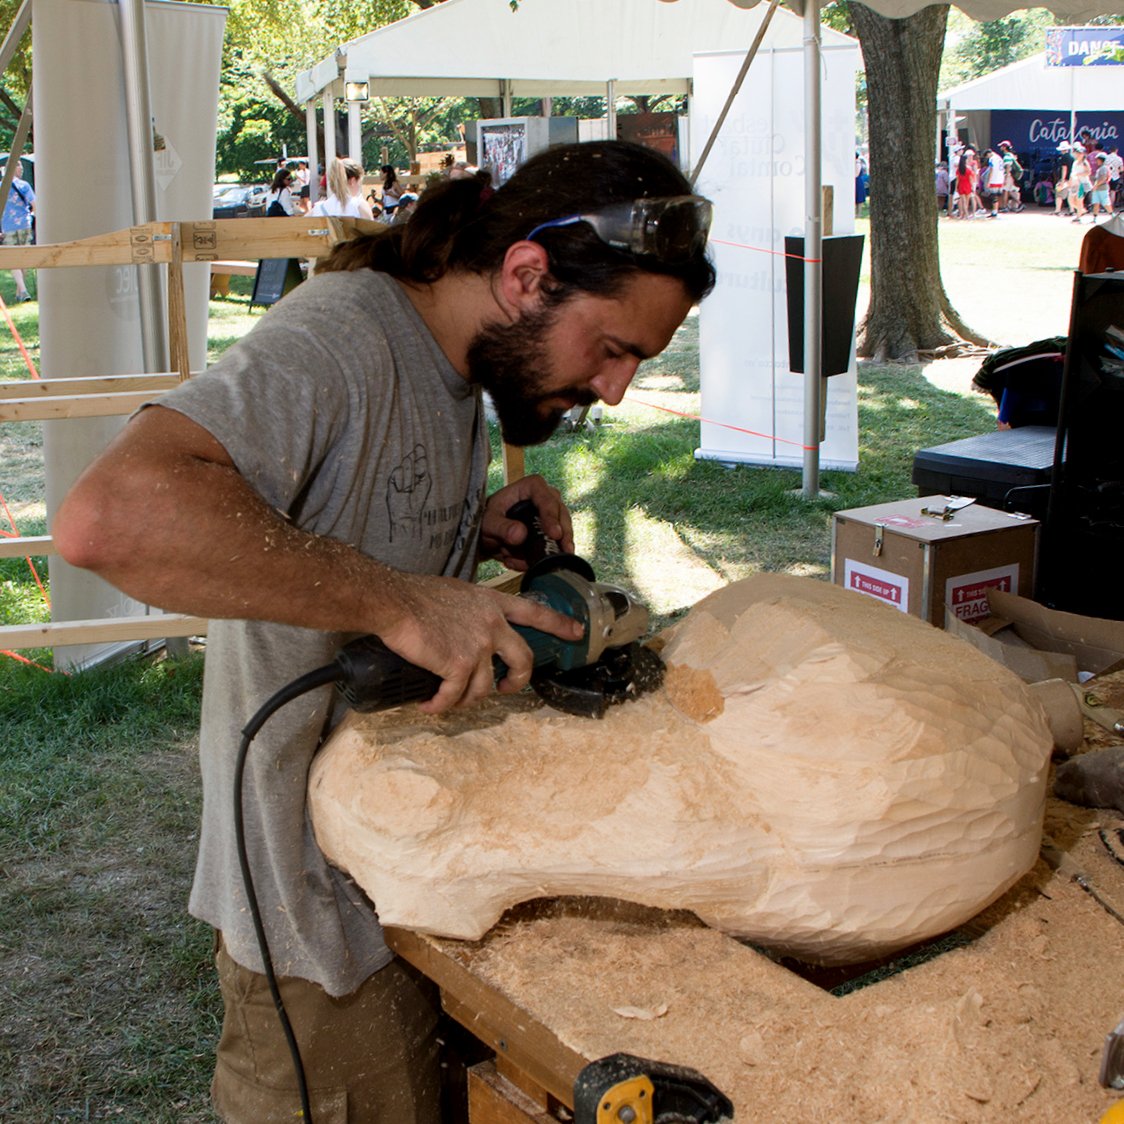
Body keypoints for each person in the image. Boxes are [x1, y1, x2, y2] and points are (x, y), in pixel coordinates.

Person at [51, 139, 715, 1122]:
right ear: (525, 274)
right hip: (316, 932)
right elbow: (108, 516)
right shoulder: (344, 333)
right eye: (610, 347)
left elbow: (343, 522)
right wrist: (400, 597)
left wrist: (471, 525)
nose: (615, 389)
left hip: (403, 881)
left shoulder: (460, 365)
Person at [1, 158, 35, 302]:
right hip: (25, 225)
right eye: (19, 166)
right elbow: (35, 204)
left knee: (13, 259)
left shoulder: (2, 186)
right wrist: (31, 216)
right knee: (24, 257)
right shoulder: (24, 185)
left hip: (8, 226)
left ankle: (21, 290)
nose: (21, 169)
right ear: (13, 169)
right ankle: (23, 290)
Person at [310, 157, 375, 220]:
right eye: (359, 182)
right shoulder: (360, 206)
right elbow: (372, 230)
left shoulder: (318, 208)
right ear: (352, 181)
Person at [1053, 140, 1075, 216]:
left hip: (1065, 179)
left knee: (1059, 194)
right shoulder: (1072, 157)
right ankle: (1072, 210)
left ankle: (1057, 210)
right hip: (1071, 179)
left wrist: (1062, 180)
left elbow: (1064, 169)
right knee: (1070, 195)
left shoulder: (1063, 157)